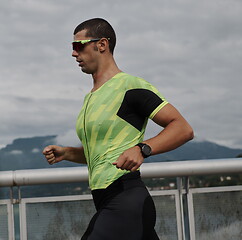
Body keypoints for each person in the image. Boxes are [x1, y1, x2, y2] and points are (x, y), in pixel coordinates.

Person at [43, 18, 194, 240]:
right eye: (72, 47)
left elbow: (183, 128)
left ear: (101, 44)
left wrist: (143, 148)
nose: (74, 54)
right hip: (107, 201)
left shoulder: (130, 86)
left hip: (125, 200)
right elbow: (103, 153)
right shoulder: (91, 97)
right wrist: (67, 153)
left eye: (78, 46)